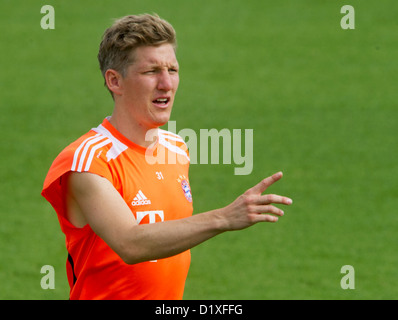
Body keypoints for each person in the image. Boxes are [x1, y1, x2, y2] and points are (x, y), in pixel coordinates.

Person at [41, 14, 293, 300]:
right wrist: (223, 218)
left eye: (172, 70)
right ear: (115, 81)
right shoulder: (86, 162)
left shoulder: (176, 149)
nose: (166, 84)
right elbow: (131, 244)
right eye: (151, 72)